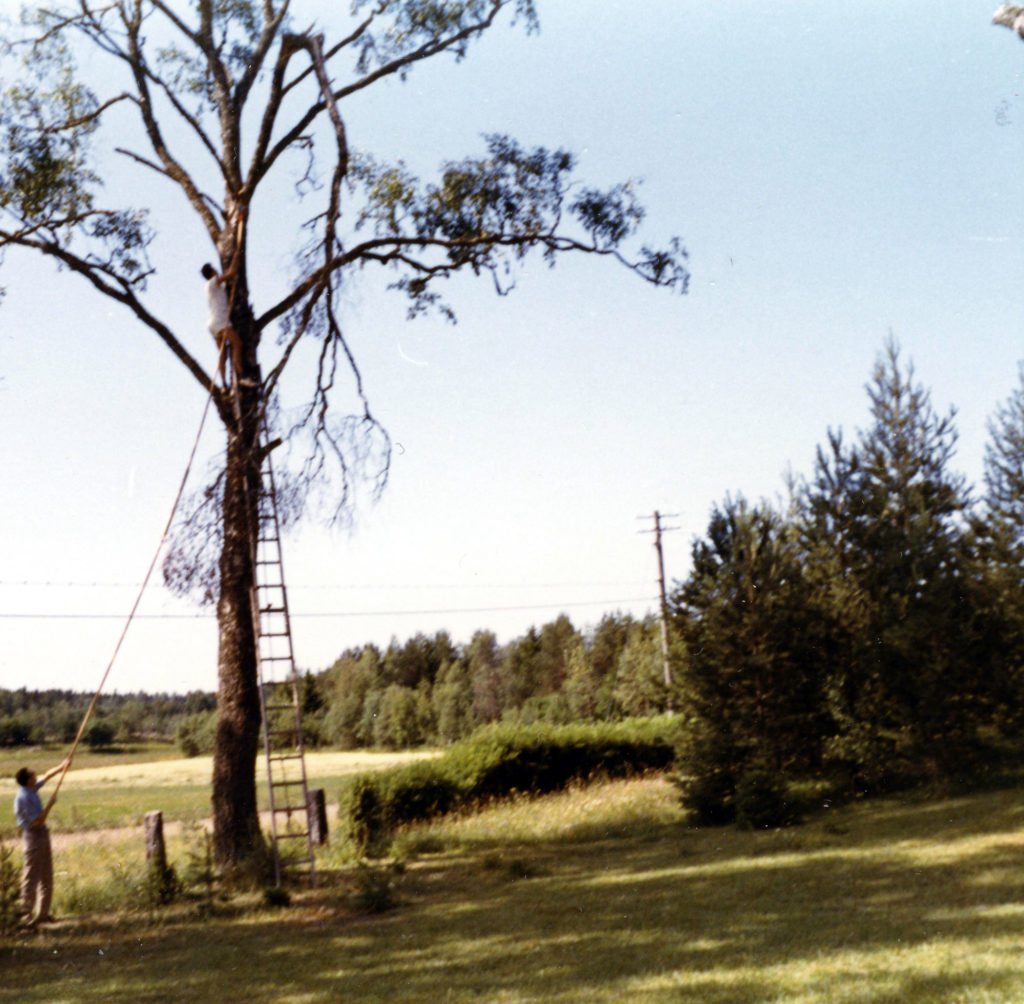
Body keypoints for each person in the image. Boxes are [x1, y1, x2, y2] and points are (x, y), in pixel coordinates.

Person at [14, 757, 69, 927]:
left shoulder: (31, 788)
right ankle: (26, 916)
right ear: (27, 780)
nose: (35, 776)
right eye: (32, 775)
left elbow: (46, 776)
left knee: (46, 875)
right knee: (31, 876)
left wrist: (62, 765)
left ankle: (43, 914)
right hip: (33, 835)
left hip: (42, 833)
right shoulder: (23, 797)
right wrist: (50, 805)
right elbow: (37, 820)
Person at [201, 208, 253, 390]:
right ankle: (241, 378)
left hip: (212, 323)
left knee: (223, 354)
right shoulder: (213, 282)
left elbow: (228, 284)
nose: (217, 270)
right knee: (237, 343)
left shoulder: (214, 288)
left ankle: (224, 386)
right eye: (215, 269)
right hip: (220, 320)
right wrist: (236, 257)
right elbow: (230, 273)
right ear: (212, 273)